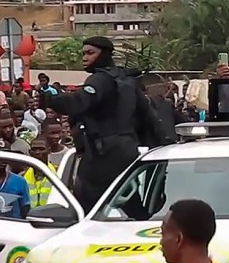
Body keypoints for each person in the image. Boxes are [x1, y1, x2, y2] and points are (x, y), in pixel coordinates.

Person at [46, 36, 163, 210]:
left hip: (103, 157)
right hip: (127, 153)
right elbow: (149, 118)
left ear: (105, 54)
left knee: (84, 211)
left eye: (90, 53)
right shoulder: (126, 80)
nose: (85, 57)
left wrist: (50, 99)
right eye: (83, 53)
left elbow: (78, 102)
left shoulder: (99, 80)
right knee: (132, 207)